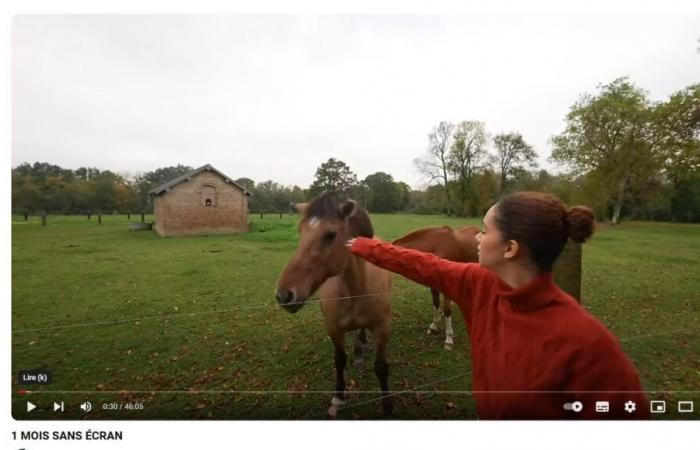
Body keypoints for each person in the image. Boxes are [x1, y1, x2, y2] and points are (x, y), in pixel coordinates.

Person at [346, 191, 649, 419]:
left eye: (485, 230)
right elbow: (424, 264)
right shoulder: (479, 284)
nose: (476, 237)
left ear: (510, 248)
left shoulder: (588, 344)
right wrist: (365, 246)